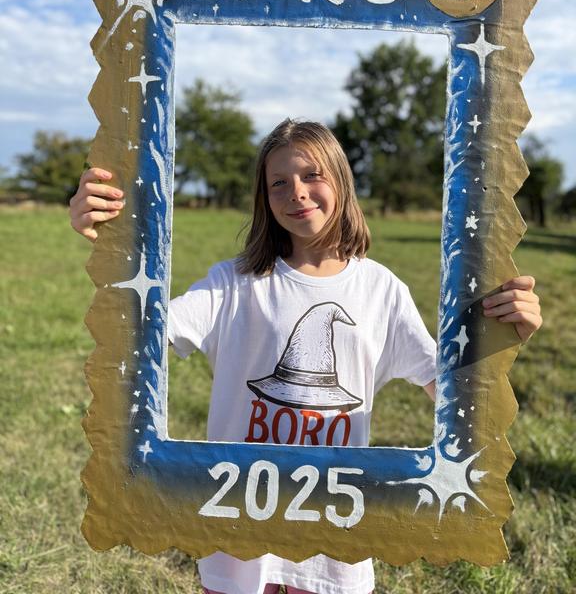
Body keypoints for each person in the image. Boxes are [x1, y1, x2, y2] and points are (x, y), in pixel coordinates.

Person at [70, 119, 542, 594]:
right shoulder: (233, 283)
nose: (296, 192)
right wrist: (115, 248)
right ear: (264, 198)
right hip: (240, 525)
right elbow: (141, 336)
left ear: (342, 180)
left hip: (335, 528)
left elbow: (449, 394)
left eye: (312, 175)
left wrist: (496, 340)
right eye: (278, 182)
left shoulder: (381, 290)